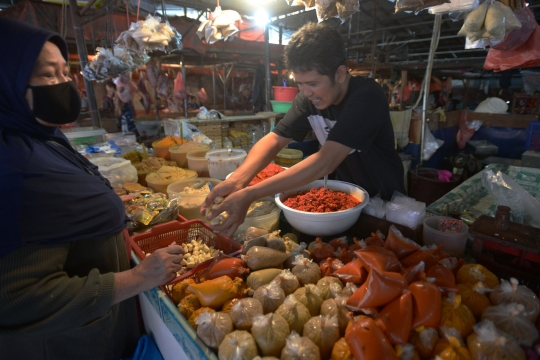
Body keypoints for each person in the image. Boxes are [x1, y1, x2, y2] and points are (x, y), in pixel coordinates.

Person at [0, 19, 184, 359]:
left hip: (103, 330)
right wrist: (140, 277)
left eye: (62, 72)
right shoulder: (13, 169)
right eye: (46, 74)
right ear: (7, 81)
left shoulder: (39, 137)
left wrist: (106, 207)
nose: (62, 84)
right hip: (70, 346)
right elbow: (16, 297)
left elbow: (60, 212)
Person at [201, 22, 405, 238]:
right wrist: (238, 180)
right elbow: (275, 139)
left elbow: (325, 161)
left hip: (386, 204)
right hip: (345, 204)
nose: (306, 92)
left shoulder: (367, 96)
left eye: (313, 83)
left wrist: (251, 193)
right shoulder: (309, 99)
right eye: (300, 83)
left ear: (340, 74)